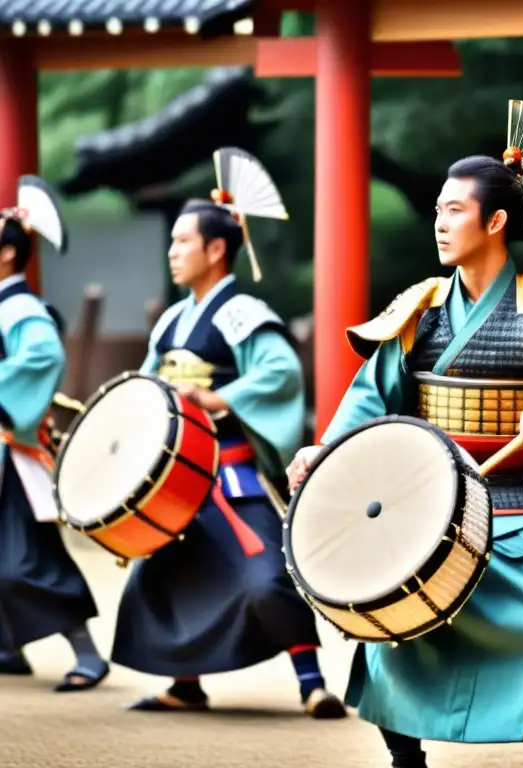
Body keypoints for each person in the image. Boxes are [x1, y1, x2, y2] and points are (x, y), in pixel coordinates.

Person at [287, 100, 523, 768]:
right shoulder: (420, 310)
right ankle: (406, 759)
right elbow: (371, 399)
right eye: (439, 209)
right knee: (391, 628)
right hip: (428, 506)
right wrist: (325, 449)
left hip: (516, 507)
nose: (440, 221)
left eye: (455, 209)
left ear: (497, 221)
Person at [110, 148, 345, 719]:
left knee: (266, 576)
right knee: (163, 575)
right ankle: (185, 682)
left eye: (181, 242)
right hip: (175, 482)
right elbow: (148, 382)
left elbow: (281, 373)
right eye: (172, 243)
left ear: (217, 249)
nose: (172, 252)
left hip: (230, 474)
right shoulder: (170, 320)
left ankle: (312, 683)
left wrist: (215, 396)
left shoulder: (243, 313)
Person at [0, 176, 109, 692]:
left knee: (24, 562)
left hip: (11, 454)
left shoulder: (20, 309)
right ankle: (8, 647)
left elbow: (44, 356)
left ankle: (88, 653)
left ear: (6, 254)